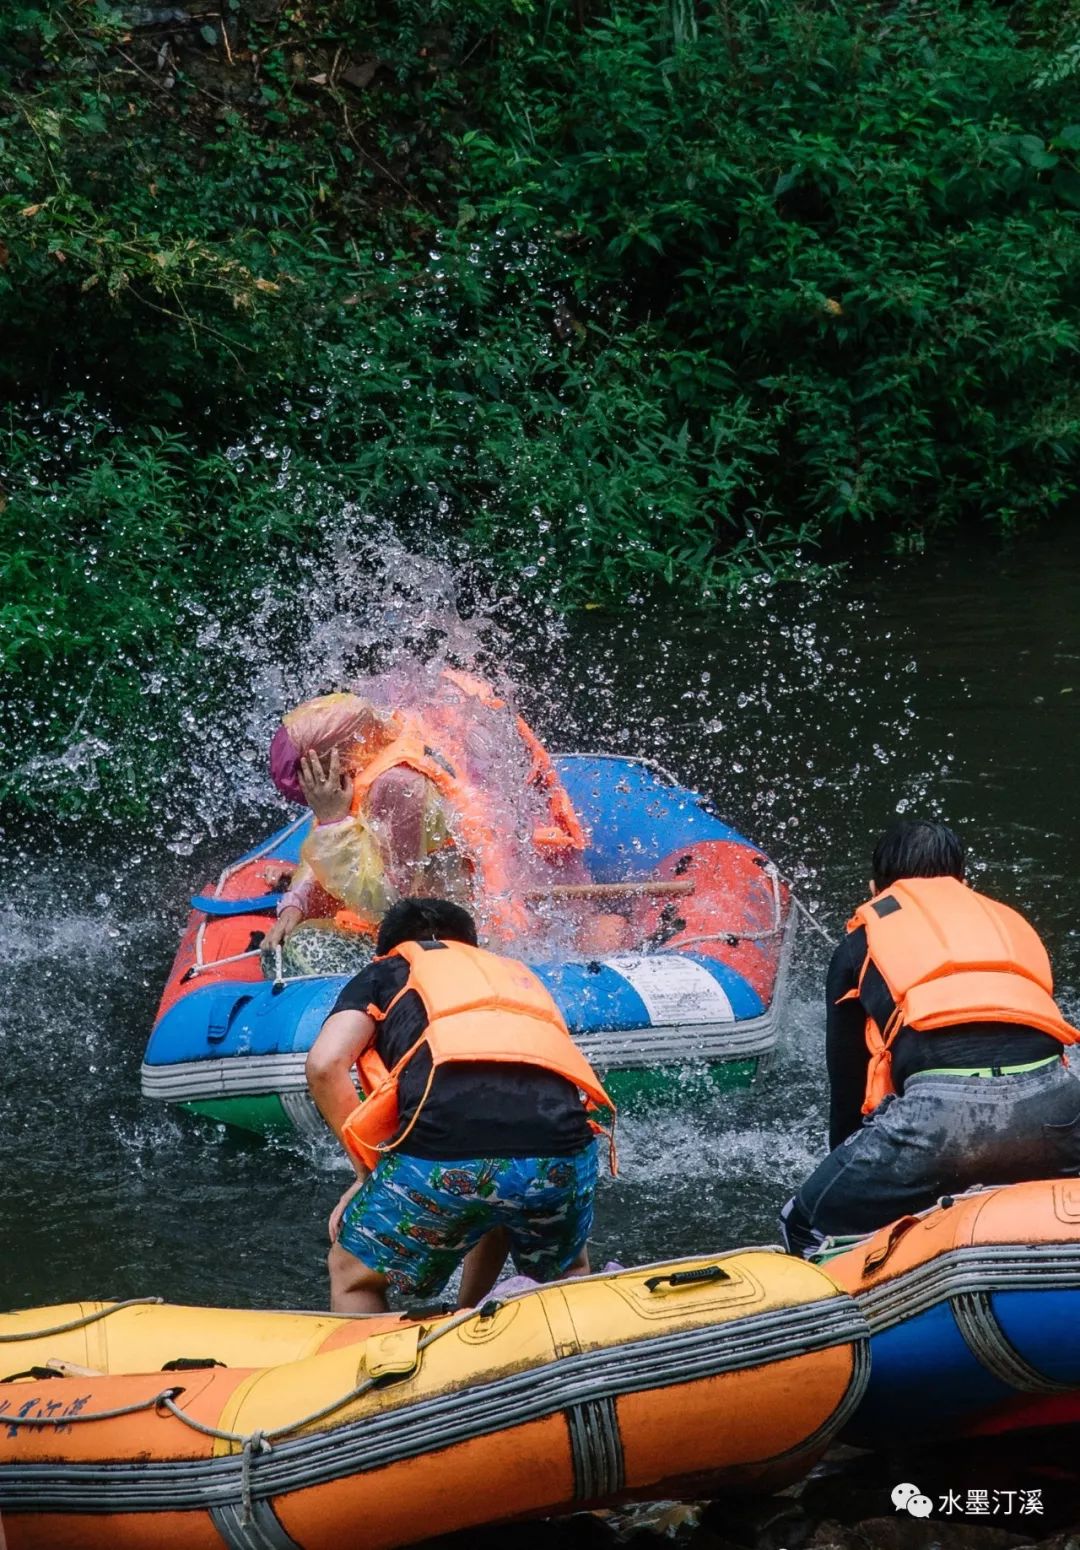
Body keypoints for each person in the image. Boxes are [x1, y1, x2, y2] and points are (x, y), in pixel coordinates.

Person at [780, 819, 1080, 1257]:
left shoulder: (861, 942)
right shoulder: (1007, 924)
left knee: (802, 1221)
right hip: (1060, 1107)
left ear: (876, 887)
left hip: (938, 1122)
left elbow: (847, 1086)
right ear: (963, 880)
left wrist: (848, 1170)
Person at [306, 896, 614, 1313]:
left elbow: (325, 1065)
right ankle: (482, 1322)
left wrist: (366, 1173)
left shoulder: (387, 970)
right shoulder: (513, 977)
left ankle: (378, 1373)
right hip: (562, 1149)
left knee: (352, 1272)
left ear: (387, 948)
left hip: (445, 1150)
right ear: (473, 946)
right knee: (561, 1268)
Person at [264, 673, 586, 956]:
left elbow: (389, 908)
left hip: (448, 934)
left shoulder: (399, 786)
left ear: (330, 767)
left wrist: (335, 823)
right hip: (427, 905)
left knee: (302, 947)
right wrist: (297, 901)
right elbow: (328, 831)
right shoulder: (380, 738)